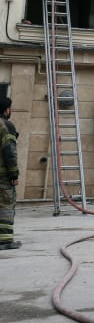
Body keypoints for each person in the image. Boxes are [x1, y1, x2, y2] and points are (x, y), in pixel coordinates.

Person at [0, 96, 19, 251]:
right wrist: (13, 174)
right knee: (6, 204)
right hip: (3, 175)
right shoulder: (6, 126)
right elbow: (9, 152)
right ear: (7, 110)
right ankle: (5, 240)